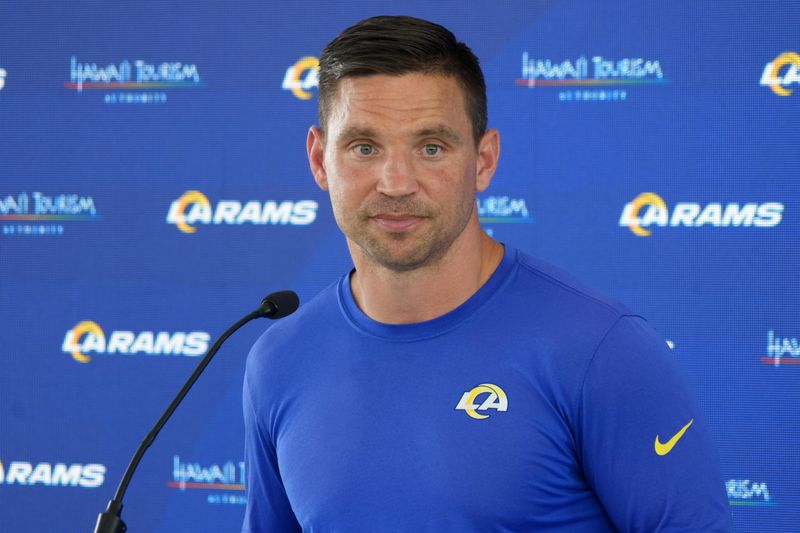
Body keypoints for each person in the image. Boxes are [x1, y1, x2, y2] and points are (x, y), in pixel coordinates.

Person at [242, 15, 732, 532]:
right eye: (364, 147)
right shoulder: (278, 361)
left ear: (484, 160)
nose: (395, 182)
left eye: (431, 147)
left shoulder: (600, 348)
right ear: (320, 160)